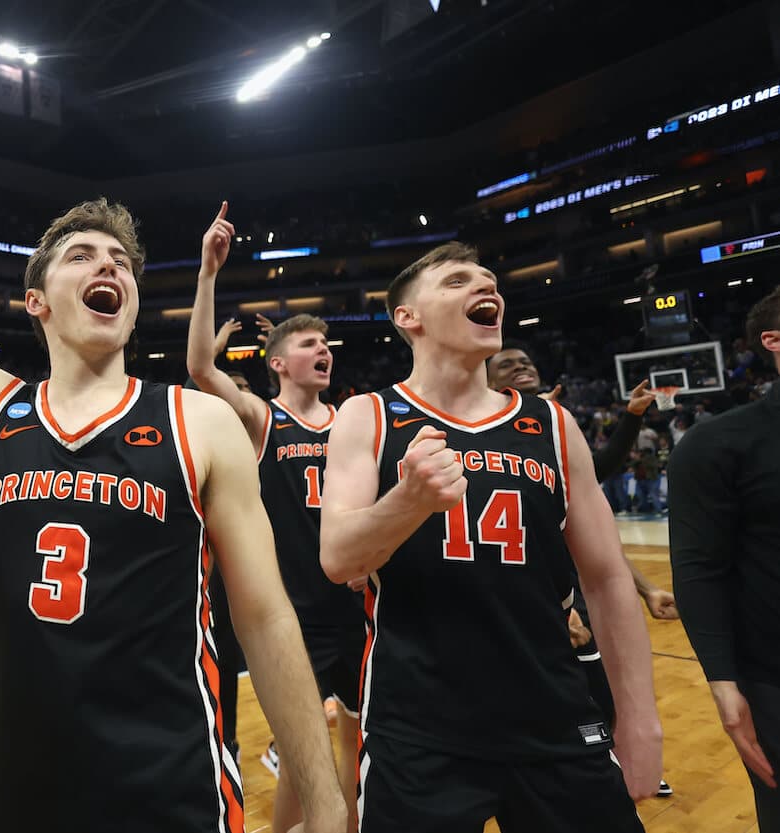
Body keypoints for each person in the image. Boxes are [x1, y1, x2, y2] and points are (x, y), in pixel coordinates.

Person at [0, 87, 346, 833]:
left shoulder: (199, 421)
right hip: (28, 784)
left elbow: (265, 619)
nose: (110, 266)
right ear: (37, 301)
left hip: (172, 782)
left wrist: (325, 802)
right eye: (83, 255)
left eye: (122, 261)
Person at [320, 242, 662, 832]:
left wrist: (638, 718)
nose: (488, 289)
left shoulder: (551, 423)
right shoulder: (369, 416)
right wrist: (409, 501)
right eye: (457, 281)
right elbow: (338, 558)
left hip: (555, 716)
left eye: (490, 280)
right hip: (418, 730)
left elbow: (606, 578)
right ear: (408, 317)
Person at [187, 203, 366, 832]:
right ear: (279, 364)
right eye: (308, 344)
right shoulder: (265, 419)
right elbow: (201, 370)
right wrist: (210, 271)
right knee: (300, 744)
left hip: (353, 602)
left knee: (358, 734)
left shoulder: (353, 422)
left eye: (326, 344)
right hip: (293, 609)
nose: (324, 351)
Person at [487, 341, 677, 796]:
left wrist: (647, 589)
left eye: (525, 361)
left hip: (568, 596)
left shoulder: (553, 430)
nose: (520, 367)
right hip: (515, 601)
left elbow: (594, 525)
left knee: (598, 694)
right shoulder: (484, 441)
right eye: (507, 364)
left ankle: (609, 766)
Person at [668, 285, 780, 833]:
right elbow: (698, 571)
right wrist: (723, 682)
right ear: (774, 341)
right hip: (772, 680)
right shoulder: (717, 444)